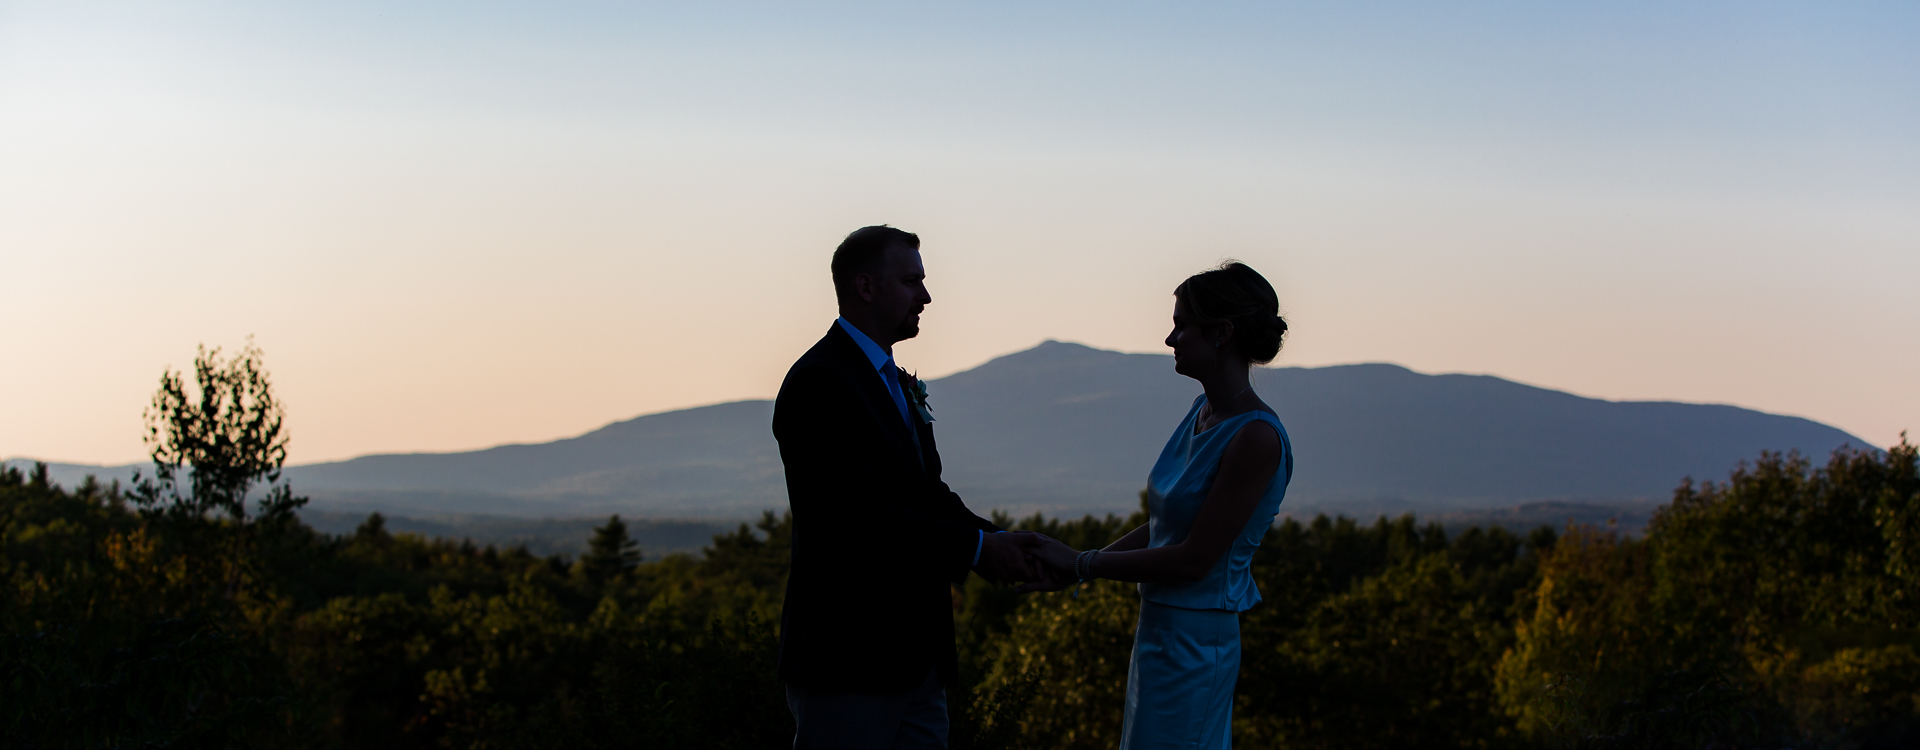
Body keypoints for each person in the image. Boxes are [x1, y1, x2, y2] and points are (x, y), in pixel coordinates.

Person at [773, 225, 1051, 750]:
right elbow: (856, 516)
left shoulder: (894, 380)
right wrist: (978, 551)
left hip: (918, 654)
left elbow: (929, 494)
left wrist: (1006, 543)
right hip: (849, 655)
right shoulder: (819, 381)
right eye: (911, 281)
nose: (925, 296)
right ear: (866, 286)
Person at [1023, 261, 1295, 750]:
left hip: (1196, 646)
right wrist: (1076, 566)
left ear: (1222, 333)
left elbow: (1193, 560)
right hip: (1157, 633)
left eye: (1182, 325)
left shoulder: (1256, 436)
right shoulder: (1202, 412)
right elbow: (1164, 526)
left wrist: (1085, 564)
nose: (1171, 339)